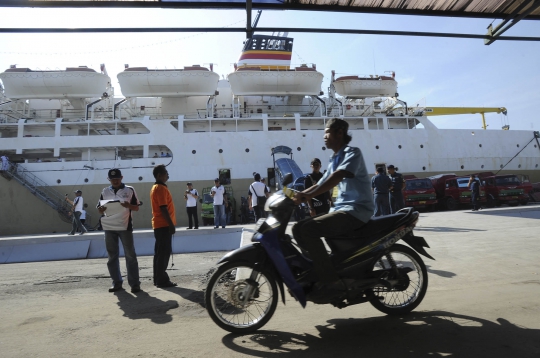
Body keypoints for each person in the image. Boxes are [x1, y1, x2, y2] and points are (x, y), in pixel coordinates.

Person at [293, 118, 374, 300]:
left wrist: (307, 196)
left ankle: (331, 281)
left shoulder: (353, 153)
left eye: (327, 132)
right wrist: (296, 196)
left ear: (339, 133)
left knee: (308, 229)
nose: (324, 137)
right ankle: (317, 271)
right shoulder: (334, 158)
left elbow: (338, 176)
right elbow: (320, 183)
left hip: (356, 210)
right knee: (297, 228)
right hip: (341, 209)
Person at [97, 169, 141, 293]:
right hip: (109, 227)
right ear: (108, 180)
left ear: (122, 177)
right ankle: (116, 282)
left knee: (130, 255)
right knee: (112, 256)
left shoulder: (129, 190)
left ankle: (135, 284)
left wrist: (129, 206)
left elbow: (136, 207)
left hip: (125, 226)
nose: (115, 181)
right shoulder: (105, 191)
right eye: (112, 179)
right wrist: (101, 210)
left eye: (117, 178)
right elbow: (100, 209)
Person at [150, 164, 177, 288]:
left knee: (160, 253)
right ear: (160, 175)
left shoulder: (156, 188)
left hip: (159, 225)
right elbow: (163, 208)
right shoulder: (160, 189)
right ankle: (161, 280)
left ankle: (158, 278)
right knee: (164, 253)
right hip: (163, 225)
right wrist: (171, 225)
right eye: (166, 173)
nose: (168, 175)